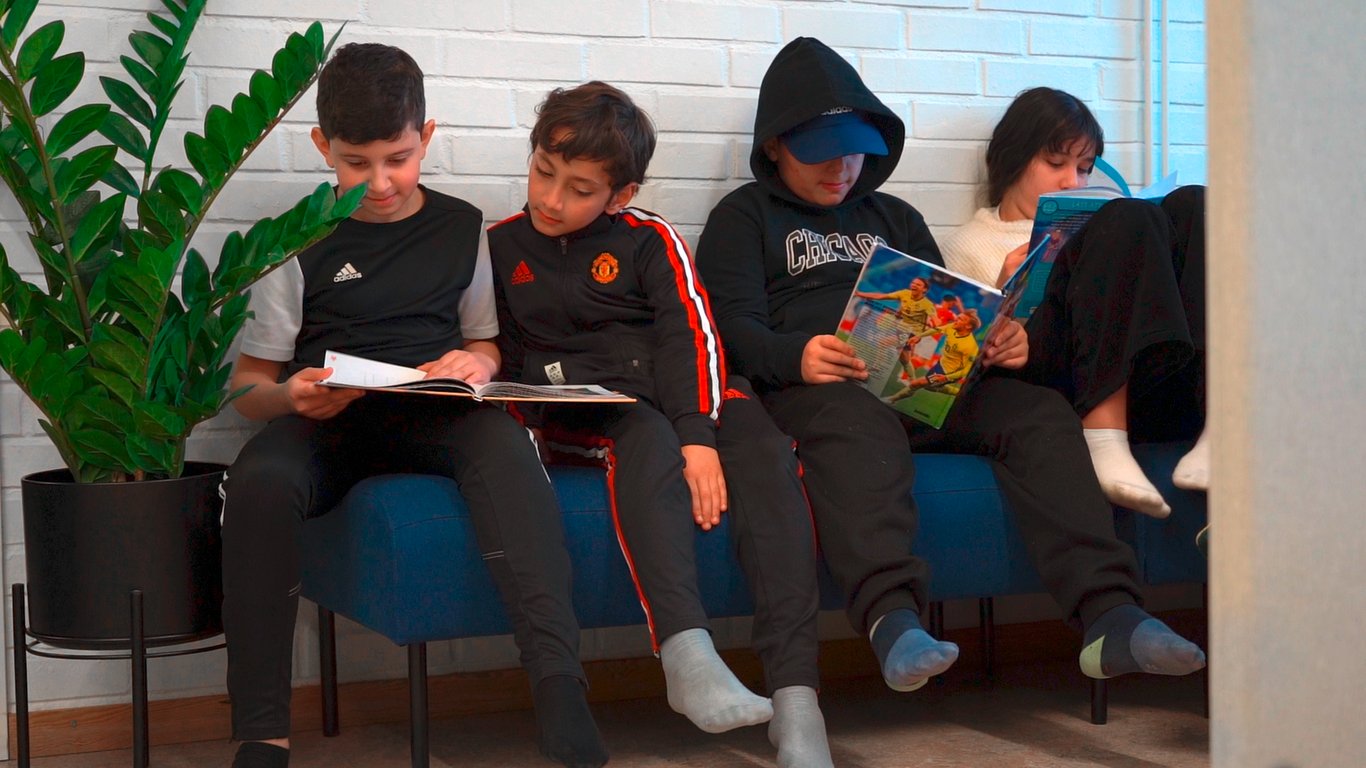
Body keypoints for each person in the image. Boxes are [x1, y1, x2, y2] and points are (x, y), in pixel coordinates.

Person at [694, 37, 1206, 696]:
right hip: (821, 386)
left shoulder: (895, 216)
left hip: (923, 378)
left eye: (854, 151)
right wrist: (793, 354)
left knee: (1039, 412)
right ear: (773, 147)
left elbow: (943, 306)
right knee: (856, 422)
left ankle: (1111, 615)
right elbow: (726, 329)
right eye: (820, 155)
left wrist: (992, 342)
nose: (842, 168)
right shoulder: (743, 218)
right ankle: (891, 620)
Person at [220, 44, 606, 768]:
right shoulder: (292, 241)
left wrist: (475, 362)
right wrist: (289, 394)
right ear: (321, 147)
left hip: (436, 415)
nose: (381, 181)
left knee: (507, 450)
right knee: (258, 483)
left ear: (426, 139)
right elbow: (248, 387)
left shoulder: (462, 229)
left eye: (398, 158)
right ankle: (262, 733)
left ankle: (560, 693)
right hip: (325, 421)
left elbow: (486, 343)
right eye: (356, 162)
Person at [487, 81, 832, 768]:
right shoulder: (497, 247)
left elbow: (693, 339)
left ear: (621, 195)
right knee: (645, 434)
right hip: (592, 411)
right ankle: (687, 656)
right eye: (542, 172)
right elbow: (495, 354)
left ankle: (798, 704)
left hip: (683, 396)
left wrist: (698, 436)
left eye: (579, 188)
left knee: (763, 450)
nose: (550, 199)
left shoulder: (651, 240)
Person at [939, 86, 1209, 517]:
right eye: (1056, 163)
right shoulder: (968, 244)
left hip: (1148, 376)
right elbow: (963, 368)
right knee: (1125, 217)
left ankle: (1219, 423)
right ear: (1013, 159)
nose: (1073, 182)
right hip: (1062, 382)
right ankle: (1103, 434)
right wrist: (1005, 294)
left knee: (1196, 203)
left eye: (1084, 169)